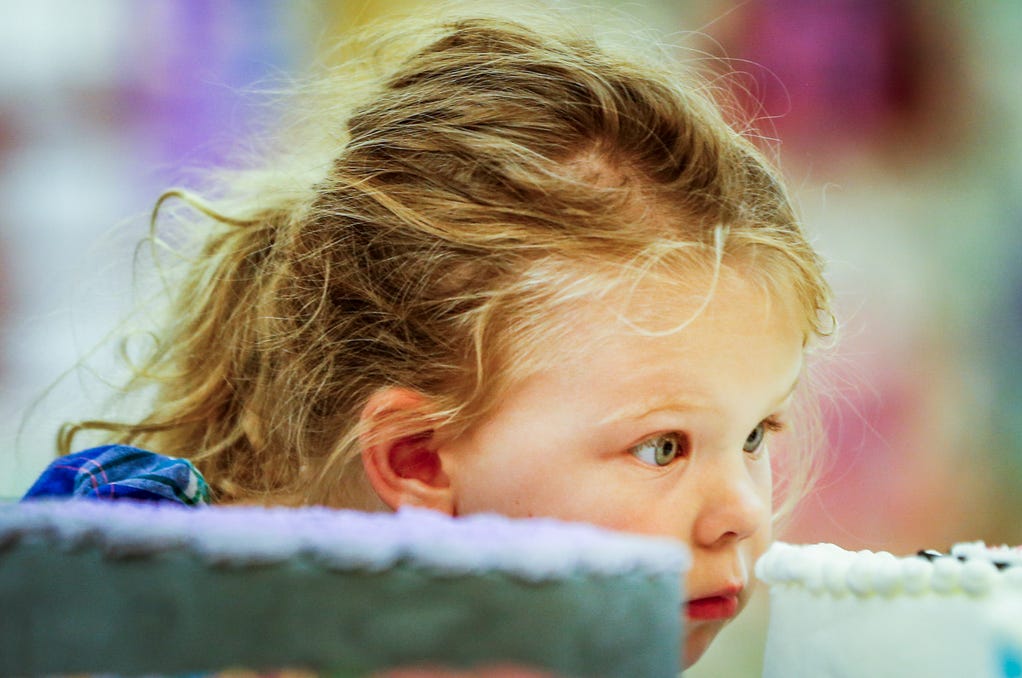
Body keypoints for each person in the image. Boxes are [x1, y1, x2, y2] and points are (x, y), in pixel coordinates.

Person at [23, 13, 832, 667]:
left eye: (756, 433)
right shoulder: (135, 589)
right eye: (664, 448)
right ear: (418, 457)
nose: (742, 512)